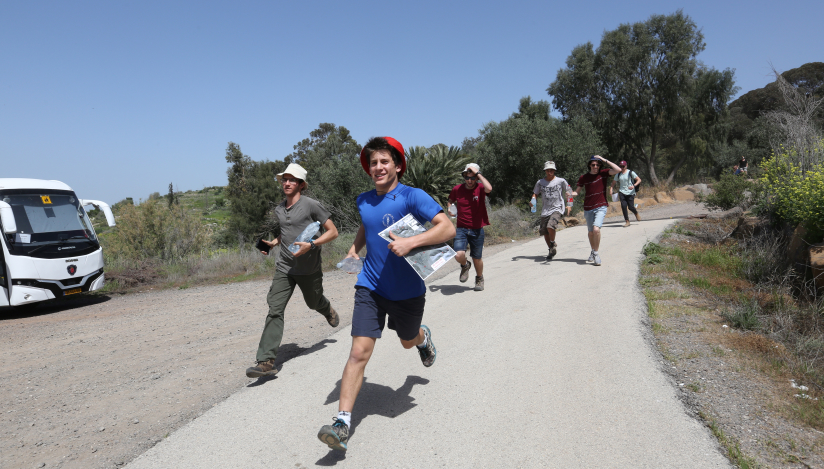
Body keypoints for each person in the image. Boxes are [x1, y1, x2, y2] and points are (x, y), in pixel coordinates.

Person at [317, 137, 455, 452]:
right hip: (371, 286)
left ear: (396, 165)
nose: (378, 167)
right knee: (358, 353)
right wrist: (354, 248)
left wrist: (412, 242)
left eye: (384, 161)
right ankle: (341, 424)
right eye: (373, 163)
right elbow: (368, 224)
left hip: (407, 292)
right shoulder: (364, 200)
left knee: (408, 340)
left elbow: (447, 228)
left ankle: (422, 338)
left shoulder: (412, 196)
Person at [245, 163, 340, 378]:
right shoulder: (279, 209)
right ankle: (266, 361)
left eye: (292, 180)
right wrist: (273, 243)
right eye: (284, 179)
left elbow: (333, 232)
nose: (286, 183)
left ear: (301, 184)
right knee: (275, 308)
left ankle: (326, 309)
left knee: (313, 302)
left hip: (309, 268)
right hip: (285, 268)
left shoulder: (311, 205)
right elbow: (288, 232)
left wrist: (312, 245)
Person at [447, 163, 492, 291]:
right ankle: (465, 265)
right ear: (464, 177)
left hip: (477, 229)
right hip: (461, 228)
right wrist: (450, 208)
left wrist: (477, 173)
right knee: (458, 254)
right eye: (467, 177)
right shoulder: (457, 189)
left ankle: (479, 278)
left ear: (477, 178)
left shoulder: (481, 188)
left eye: (473, 178)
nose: (469, 180)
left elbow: (489, 188)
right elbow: (450, 201)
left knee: (477, 258)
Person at [575, 155, 621, 266]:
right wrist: (569, 194)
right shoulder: (584, 177)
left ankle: (596, 253)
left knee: (596, 230)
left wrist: (603, 159)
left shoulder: (603, 173)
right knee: (591, 232)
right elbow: (576, 192)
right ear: (589, 165)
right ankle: (593, 250)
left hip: (601, 206)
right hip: (588, 208)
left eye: (597, 164)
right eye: (593, 164)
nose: (595, 166)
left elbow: (618, 170)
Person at [531, 161, 576, 261]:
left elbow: (569, 191)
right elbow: (535, 194)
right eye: (548, 170)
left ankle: (552, 242)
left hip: (557, 208)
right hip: (545, 210)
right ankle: (551, 249)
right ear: (545, 171)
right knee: (544, 231)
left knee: (550, 226)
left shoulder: (561, 181)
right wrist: (532, 201)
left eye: (551, 170)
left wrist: (569, 205)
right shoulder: (540, 182)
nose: (549, 172)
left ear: (554, 170)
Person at [610, 161, 642, 227]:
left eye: (623, 166)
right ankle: (627, 221)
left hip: (630, 192)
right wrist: (611, 189)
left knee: (630, 207)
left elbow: (639, 180)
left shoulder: (630, 172)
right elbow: (613, 183)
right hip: (622, 192)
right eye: (620, 166)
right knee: (623, 206)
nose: (622, 168)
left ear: (626, 166)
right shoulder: (618, 174)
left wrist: (634, 186)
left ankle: (636, 213)